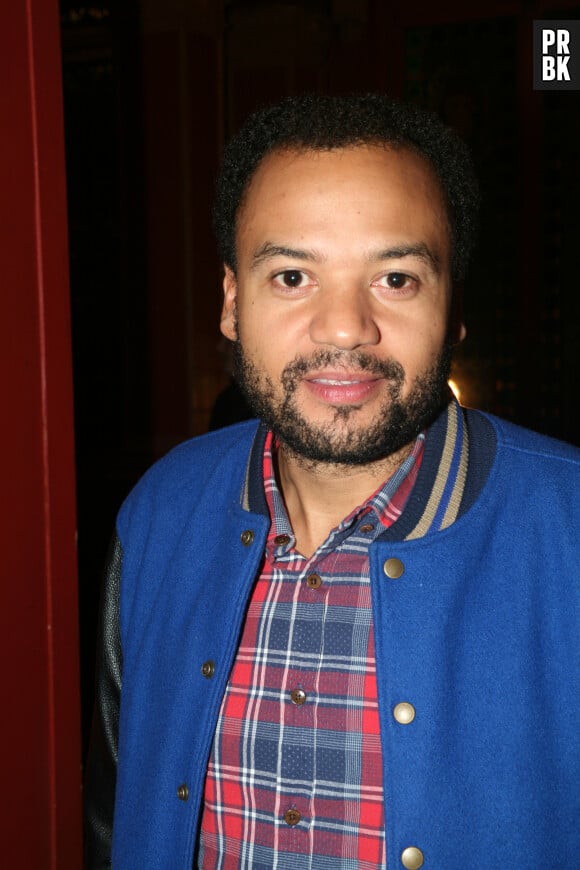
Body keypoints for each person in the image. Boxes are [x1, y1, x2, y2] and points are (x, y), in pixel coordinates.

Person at [84, 94, 579, 870]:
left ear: (452, 311)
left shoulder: (569, 528)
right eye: (291, 275)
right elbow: (116, 815)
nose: (344, 326)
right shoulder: (159, 513)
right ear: (231, 301)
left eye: (396, 278)